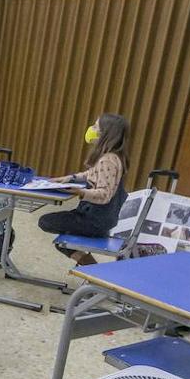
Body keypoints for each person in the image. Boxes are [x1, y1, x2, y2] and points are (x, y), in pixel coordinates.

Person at [37, 113, 130, 266]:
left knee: (46, 221)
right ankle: (93, 271)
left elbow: (104, 195)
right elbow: (91, 174)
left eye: (96, 127)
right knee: (62, 242)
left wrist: (80, 192)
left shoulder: (108, 160)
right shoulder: (113, 157)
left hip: (95, 220)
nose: (91, 129)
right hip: (102, 219)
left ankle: (95, 271)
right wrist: (69, 178)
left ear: (106, 133)